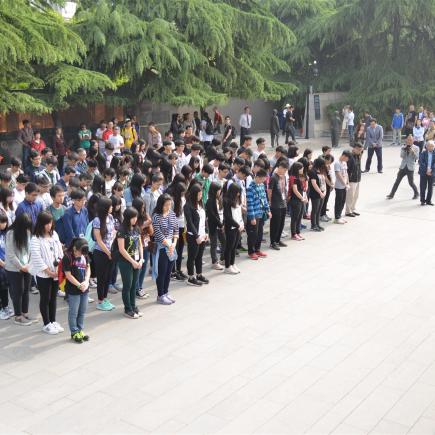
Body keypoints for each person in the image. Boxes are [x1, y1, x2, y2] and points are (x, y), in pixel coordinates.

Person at [30, 212, 64, 334]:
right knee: (45, 298)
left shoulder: (54, 234)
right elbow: (36, 257)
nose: (49, 225)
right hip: (43, 274)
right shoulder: (35, 239)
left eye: (50, 222)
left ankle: (53, 321)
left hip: (55, 272)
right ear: (41, 224)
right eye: (46, 223)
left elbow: (60, 251)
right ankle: (46, 323)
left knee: (53, 298)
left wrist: (60, 266)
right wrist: (48, 271)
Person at [5, 213, 34, 326]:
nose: (28, 228)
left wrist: (28, 265)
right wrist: (21, 267)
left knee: (26, 290)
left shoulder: (28, 232)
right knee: (18, 291)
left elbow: (30, 251)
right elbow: (11, 255)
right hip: (14, 268)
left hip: (27, 266)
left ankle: (24, 313)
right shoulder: (10, 234)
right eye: (26, 226)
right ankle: (18, 316)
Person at [114, 207, 143, 319]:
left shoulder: (136, 229)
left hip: (136, 261)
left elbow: (140, 244)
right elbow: (122, 249)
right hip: (125, 262)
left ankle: (133, 306)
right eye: (132, 217)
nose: (135, 219)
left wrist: (140, 259)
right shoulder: (122, 230)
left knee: (134, 285)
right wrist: (132, 262)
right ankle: (127, 309)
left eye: (136, 217)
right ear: (127, 218)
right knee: (127, 285)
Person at [151, 194, 178, 304]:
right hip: (162, 246)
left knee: (168, 272)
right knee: (162, 272)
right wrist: (169, 245)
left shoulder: (172, 214)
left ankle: (166, 292)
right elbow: (158, 233)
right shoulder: (156, 216)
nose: (168, 207)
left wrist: (174, 244)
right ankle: (160, 294)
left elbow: (176, 230)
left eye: (169, 204)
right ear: (161, 204)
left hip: (171, 245)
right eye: (166, 205)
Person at [62, 238, 90, 343]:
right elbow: (68, 275)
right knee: (73, 312)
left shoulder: (85, 255)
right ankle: (74, 332)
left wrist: (86, 281)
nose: (80, 255)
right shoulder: (67, 257)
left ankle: (80, 330)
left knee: (82, 311)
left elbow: (88, 268)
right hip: (73, 289)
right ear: (74, 248)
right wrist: (79, 285)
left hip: (84, 288)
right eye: (79, 252)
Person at [93, 196, 116, 311]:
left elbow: (113, 232)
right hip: (101, 253)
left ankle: (105, 298)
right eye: (110, 206)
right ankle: (100, 300)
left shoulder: (111, 217)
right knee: (101, 278)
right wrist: (108, 253)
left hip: (111, 252)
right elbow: (99, 240)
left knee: (108, 277)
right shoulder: (97, 220)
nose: (112, 207)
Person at [184, 183, 209, 286]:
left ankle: (199, 274)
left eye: (201, 194)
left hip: (202, 234)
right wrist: (197, 236)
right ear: (193, 194)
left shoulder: (200, 204)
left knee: (199, 256)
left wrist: (206, 232)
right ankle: (190, 277)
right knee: (192, 256)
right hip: (193, 235)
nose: (200, 196)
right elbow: (189, 223)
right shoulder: (187, 206)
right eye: (198, 195)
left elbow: (204, 219)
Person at [246, 168, 270, 258]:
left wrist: (268, 210)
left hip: (261, 213)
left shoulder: (261, 186)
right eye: (263, 179)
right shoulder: (250, 188)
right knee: (253, 234)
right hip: (254, 214)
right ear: (258, 177)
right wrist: (252, 217)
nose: (263, 181)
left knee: (260, 233)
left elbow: (264, 199)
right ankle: (251, 252)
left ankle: (257, 249)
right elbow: (250, 204)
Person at [386, 135, 419, 200]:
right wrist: (405, 150)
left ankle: (416, 193)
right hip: (403, 167)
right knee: (397, 181)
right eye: (408, 140)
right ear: (406, 140)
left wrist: (412, 152)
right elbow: (402, 156)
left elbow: (417, 157)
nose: (409, 141)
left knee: (411, 183)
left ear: (413, 141)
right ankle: (391, 194)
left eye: (411, 140)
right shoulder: (403, 147)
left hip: (410, 168)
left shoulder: (416, 148)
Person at [223, 182, 243, 274]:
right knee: (229, 247)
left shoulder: (237, 200)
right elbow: (228, 217)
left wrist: (241, 224)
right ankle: (227, 266)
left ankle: (232, 263)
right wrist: (238, 225)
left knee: (234, 246)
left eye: (239, 192)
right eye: (237, 192)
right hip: (231, 227)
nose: (238, 194)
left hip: (238, 227)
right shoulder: (226, 201)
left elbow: (239, 214)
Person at [268, 160, 289, 249]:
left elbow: (284, 188)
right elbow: (270, 191)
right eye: (284, 169)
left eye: (286, 170)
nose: (284, 171)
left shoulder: (283, 177)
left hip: (283, 203)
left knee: (281, 223)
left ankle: (278, 239)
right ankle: (273, 242)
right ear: (280, 168)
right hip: (275, 204)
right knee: (275, 224)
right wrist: (270, 201)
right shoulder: (273, 177)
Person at [206, 182, 225, 271]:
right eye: (218, 190)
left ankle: (222, 258)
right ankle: (214, 262)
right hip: (214, 225)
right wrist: (220, 225)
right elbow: (212, 215)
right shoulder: (210, 201)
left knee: (224, 241)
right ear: (214, 190)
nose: (220, 191)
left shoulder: (219, 199)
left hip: (220, 224)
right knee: (214, 244)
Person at [288, 162, 307, 240]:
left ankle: (298, 232)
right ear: (297, 169)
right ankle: (293, 234)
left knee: (299, 217)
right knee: (295, 218)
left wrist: (304, 197)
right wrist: (302, 198)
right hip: (295, 200)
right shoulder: (294, 178)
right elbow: (295, 190)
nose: (302, 169)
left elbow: (302, 188)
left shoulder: (299, 177)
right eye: (301, 168)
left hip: (300, 200)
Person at [308, 158, 327, 231]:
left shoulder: (321, 171)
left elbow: (323, 181)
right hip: (315, 193)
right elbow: (314, 183)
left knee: (319, 209)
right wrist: (320, 192)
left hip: (322, 192)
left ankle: (317, 224)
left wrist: (324, 191)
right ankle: (313, 225)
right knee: (315, 209)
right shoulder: (313, 172)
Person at [345, 143, 363, 217]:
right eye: (359, 150)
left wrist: (360, 154)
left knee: (356, 196)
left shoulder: (357, 155)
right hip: (351, 179)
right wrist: (347, 180)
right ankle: (348, 211)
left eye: (361, 150)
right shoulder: (349, 156)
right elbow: (347, 170)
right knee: (350, 196)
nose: (360, 152)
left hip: (357, 178)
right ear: (355, 148)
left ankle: (352, 209)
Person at [334, 150, 351, 224]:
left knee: (343, 201)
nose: (347, 160)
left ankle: (340, 216)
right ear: (344, 156)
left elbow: (346, 173)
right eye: (347, 158)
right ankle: (337, 218)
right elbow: (338, 174)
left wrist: (347, 183)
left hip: (344, 186)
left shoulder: (344, 163)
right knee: (338, 202)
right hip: (339, 186)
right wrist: (344, 184)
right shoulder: (337, 163)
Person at [0, 214, 12, 320]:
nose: (4, 224)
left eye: (5, 222)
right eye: (1, 222)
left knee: (5, 286)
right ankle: (1, 308)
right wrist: (2, 263)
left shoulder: (6, 233)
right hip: (1, 263)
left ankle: (5, 306)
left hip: (6, 262)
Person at [418, 140, 435, 206]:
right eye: (429, 146)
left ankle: (428, 201)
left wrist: (431, 170)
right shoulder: (423, 153)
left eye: (432, 146)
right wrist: (427, 170)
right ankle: (422, 200)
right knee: (423, 187)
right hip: (423, 172)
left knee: (430, 187)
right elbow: (421, 162)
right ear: (427, 146)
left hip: (432, 172)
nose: (431, 147)